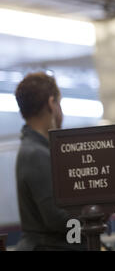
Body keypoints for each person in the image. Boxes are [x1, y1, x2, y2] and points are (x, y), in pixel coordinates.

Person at [14, 72, 84, 251]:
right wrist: (92, 223)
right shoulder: (35, 154)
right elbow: (57, 219)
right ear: (52, 104)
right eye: (59, 103)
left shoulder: (37, 150)